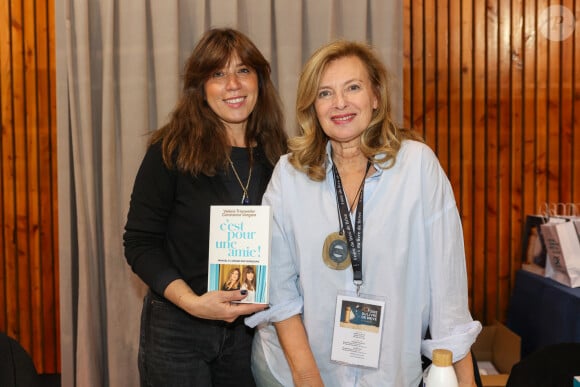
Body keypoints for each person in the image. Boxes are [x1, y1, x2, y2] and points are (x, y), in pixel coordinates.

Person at [245, 40, 481, 386]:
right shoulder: (289, 175)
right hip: (295, 371)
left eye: (352, 87)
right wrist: (308, 378)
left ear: (375, 97)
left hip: (390, 373)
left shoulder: (417, 167)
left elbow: (448, 295)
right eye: (325, 93)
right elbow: (279, 293)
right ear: (312, 105)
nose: (339, 103)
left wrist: (464, 380)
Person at [123, 27, 287, 386]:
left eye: (243, 70)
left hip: (252, 331)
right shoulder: (170, 152)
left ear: (259, 79)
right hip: (178, 330)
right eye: (218, 73)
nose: (233, 84)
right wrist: (193, 303)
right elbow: (139, 243)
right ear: (201, 88)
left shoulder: (281, 158)